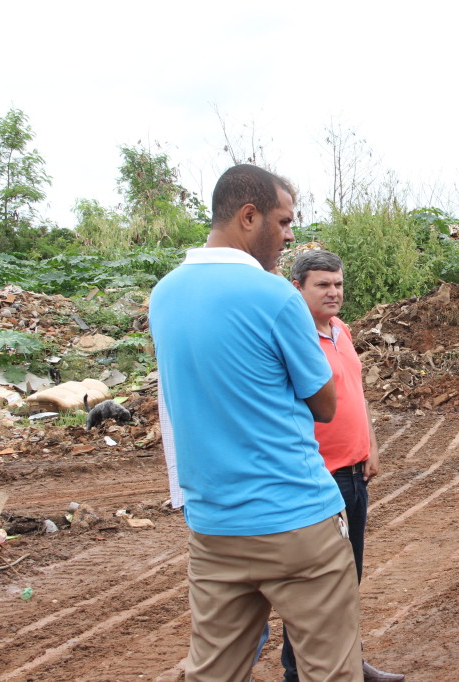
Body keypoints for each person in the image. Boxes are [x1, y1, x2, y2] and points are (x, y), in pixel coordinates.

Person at [150, 164, 362, 681]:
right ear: (249, 216)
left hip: (214, 527)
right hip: (295, 520)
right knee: (330, 669)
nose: (289, 235)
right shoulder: (276, 296)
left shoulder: (164, 295)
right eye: (283, 221)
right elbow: (325, 403)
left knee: (214, 670)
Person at [276, 249, 405, 682]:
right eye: (323, 285)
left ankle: (350, 663)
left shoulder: (340, 330)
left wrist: (371, 443)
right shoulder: (293, 339)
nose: (334, 292)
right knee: (311, 588)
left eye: (338, 284)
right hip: (316, 479)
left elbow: (356, 391)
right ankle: (298, 672)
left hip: (353, 474)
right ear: (298, 289)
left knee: (348, 578)